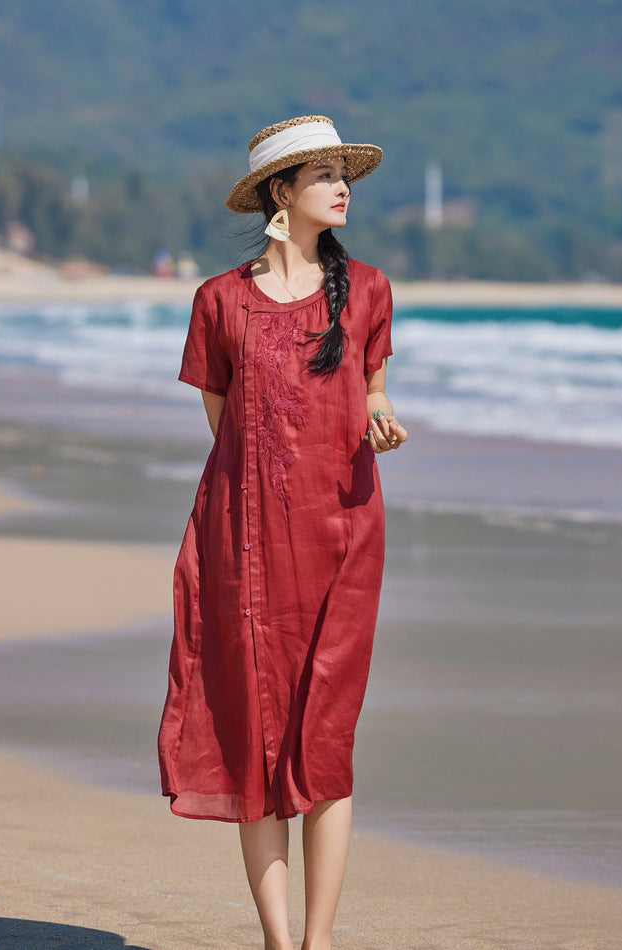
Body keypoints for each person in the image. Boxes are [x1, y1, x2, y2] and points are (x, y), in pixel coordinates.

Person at [157, 115, 408, 950]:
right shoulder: (219, 301)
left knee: (325, 738)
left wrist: (380, 418)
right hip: (247, 548)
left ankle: (319, 940)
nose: (343, 188)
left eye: (346, 174)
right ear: (281, 193)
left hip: (342, 537)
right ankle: (276, 939)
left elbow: (370, 390)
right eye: (326, 175)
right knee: (257, 740)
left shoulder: (368, 289)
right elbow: (226, 428)